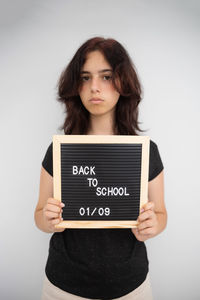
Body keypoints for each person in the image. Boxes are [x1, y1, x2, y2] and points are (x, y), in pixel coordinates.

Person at [34, 37, 167, 300]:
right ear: (76, 86)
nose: (94, 87)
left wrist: (153, 224)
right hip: (63, 287)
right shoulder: (61, 151)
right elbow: (39, 215)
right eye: (85, 77)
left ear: (123, 83)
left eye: (106, 77)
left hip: (131, 287)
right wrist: (49, 220)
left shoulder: (145, 151)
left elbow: (161, 213)